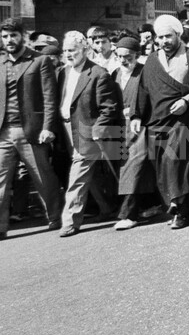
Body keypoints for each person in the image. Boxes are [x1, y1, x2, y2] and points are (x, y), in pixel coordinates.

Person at [133, 15, 189, 230]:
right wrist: (136, 116)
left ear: (178, 35)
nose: (164, 41)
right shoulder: (152, 60)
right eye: (160, 37)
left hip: (185, 121)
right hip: (158, 121)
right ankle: (177, 204)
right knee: (163, 166)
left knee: (177, 163)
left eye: (168, 36)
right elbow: (142, 90)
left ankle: (183, 211)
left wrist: (187, 101)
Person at [0, 18, 62, 239]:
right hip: (3, 133)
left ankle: (56, 217)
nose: (9, 40)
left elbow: (49, 98)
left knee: (42, 177)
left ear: (22, 37)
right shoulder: (0, 62)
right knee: (1, 182)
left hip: (31, 131)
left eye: (13, 36)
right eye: (5, 36)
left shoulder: (39, 60)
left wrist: (48, 127)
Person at [56, 32, 122, 236]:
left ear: (85, 50)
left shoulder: (98, 73)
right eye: (65, 50)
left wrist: (98, 129)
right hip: (67, 129)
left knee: (78, 174)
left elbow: (109, 107)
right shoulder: (62, 73)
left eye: (72, 50)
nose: (68, 54)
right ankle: (106, 208)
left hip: (87, 131)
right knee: (87, 175)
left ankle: (70, 221)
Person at [112, 36, 157, 231]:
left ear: (137, 56)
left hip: (141, 127)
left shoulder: (144, 73)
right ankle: (150, 204)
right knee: (132, 169)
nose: (123, 60)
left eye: (128, 56)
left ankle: (128, 214)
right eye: (119, 56)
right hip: (120, 129)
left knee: (133, 168)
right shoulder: (114, 74)